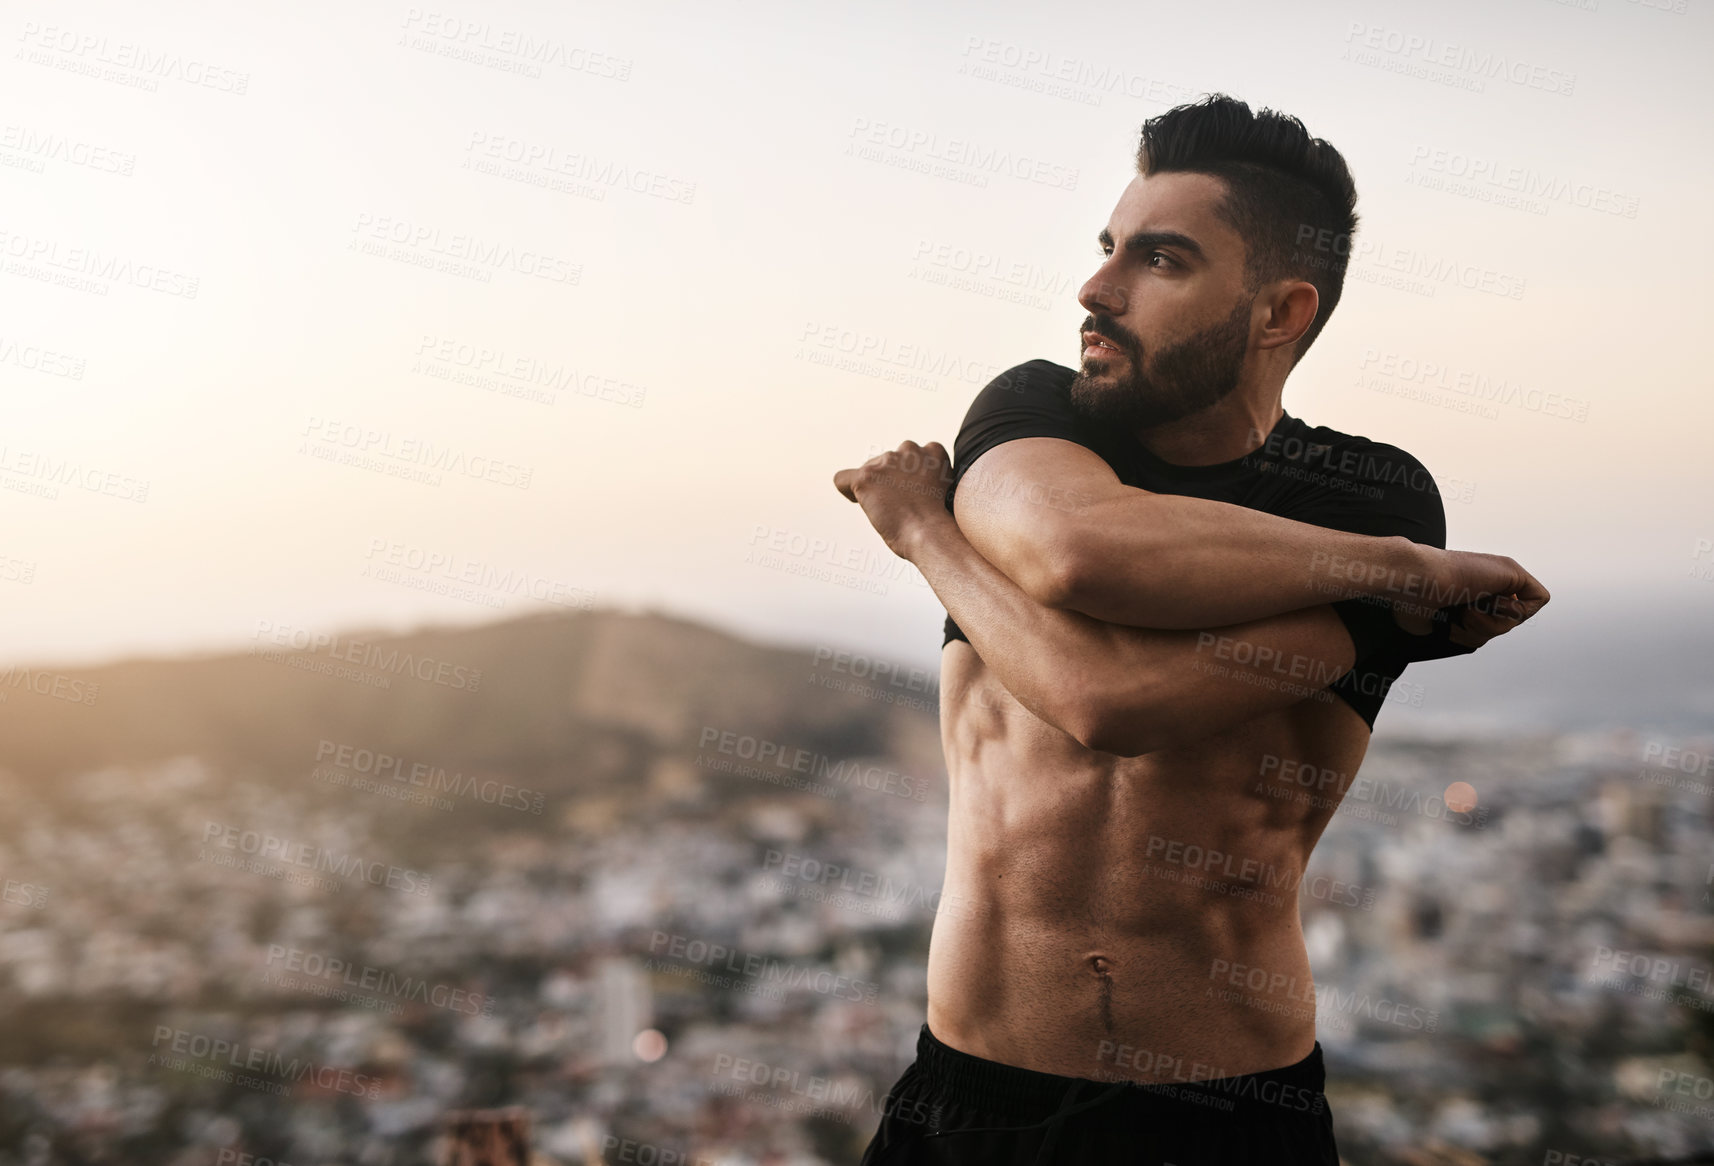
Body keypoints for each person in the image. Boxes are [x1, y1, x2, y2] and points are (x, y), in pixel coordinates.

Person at [832, 93, 1548, 1164]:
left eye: (1159, 262)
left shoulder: (1370, 493)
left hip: (1223, 1111)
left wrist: (927, 533)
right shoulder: (1032, 412)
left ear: (1278, 311)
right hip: (964, 1097)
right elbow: (1079, 548)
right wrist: (1407, 578)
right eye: (1107, 248)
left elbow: (1105, 701)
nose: (1095, 287)